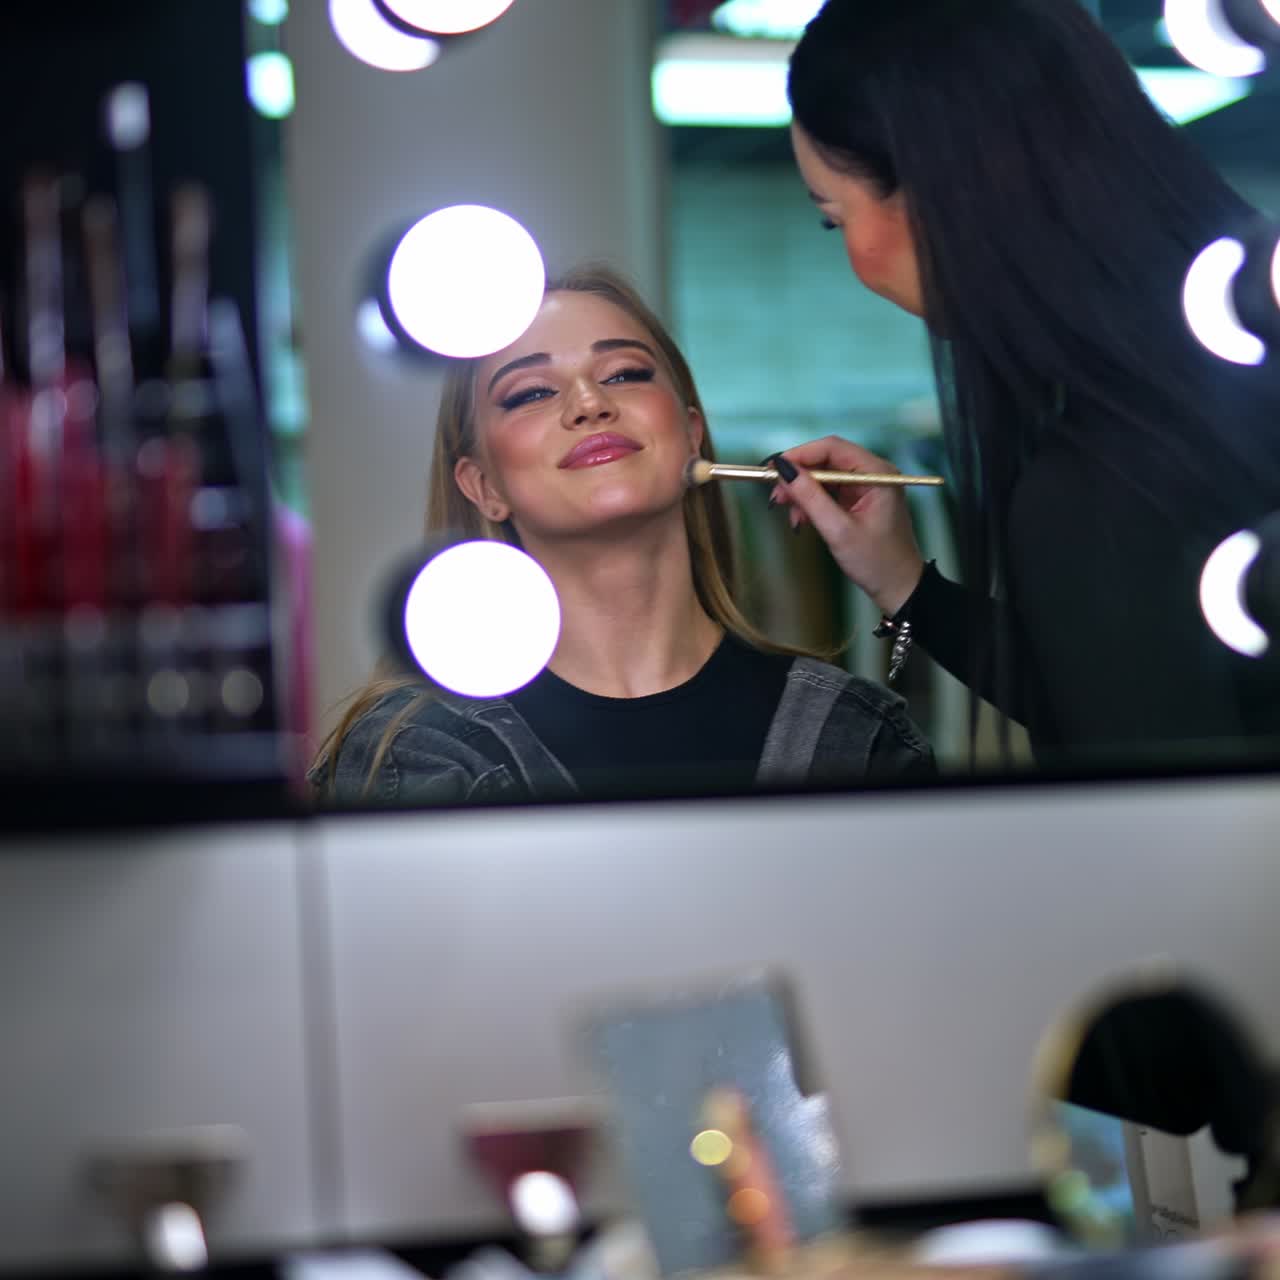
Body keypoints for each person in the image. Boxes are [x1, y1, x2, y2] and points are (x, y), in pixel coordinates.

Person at [772, 0, 1280, 766]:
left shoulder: (1099, 480)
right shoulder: (1224, 364)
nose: (853, 263)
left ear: (933, 195)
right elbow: (1111, 694)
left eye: (833, 218)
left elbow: (1154, 806)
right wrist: (908, 585)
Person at [311, 265, 934, 805]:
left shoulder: (857, 736)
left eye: (624, 374)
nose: (589, 403)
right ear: (483, 485)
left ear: (692, 435)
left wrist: (912, 586)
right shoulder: (416, 754)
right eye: (532, 392)